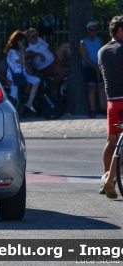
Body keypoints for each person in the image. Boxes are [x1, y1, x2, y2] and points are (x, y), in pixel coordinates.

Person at [98, 16, 123, 198]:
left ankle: (107, 178)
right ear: (120, 30)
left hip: (113, 102)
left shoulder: (102, 51)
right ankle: (110, 179)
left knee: (111, 142)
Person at [24, 28, 69, 96]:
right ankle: (52, 91)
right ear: (28, 38)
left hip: (53, 59)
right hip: (45, 65)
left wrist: (57, 60)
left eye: (36, 35)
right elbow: (28, 54)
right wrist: (39, 54)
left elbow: (50, 48)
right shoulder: (27, 46)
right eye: (33, 36)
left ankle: (75, 67)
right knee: (62, 72)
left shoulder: (39, 39)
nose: (36, 37)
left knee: (65, 45)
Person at [4, 30, 40, 113]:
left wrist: (29, 72)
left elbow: (23, 63)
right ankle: (9, 111)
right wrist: (21, 48)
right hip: (14, 77)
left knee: (37, 80)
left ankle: (29, 102)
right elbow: (20, 61)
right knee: (14, 94)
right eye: (22, 41)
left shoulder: (20, 51)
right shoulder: (11, 52)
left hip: (22, 75)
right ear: (18, 41)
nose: (23, 43)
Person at [80, 21, 107, 119]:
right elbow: (85, 57)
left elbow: (103, 53)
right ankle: (92, 110)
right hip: (89, 66)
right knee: (91, 87)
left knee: (101, 86)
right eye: (91, 30)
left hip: (100, 66)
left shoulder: (99, 40)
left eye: (95, 30)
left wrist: (100, 67)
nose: (94, 32)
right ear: (87, 31)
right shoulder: (83, 42)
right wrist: (95, 68)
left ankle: (103, 108)